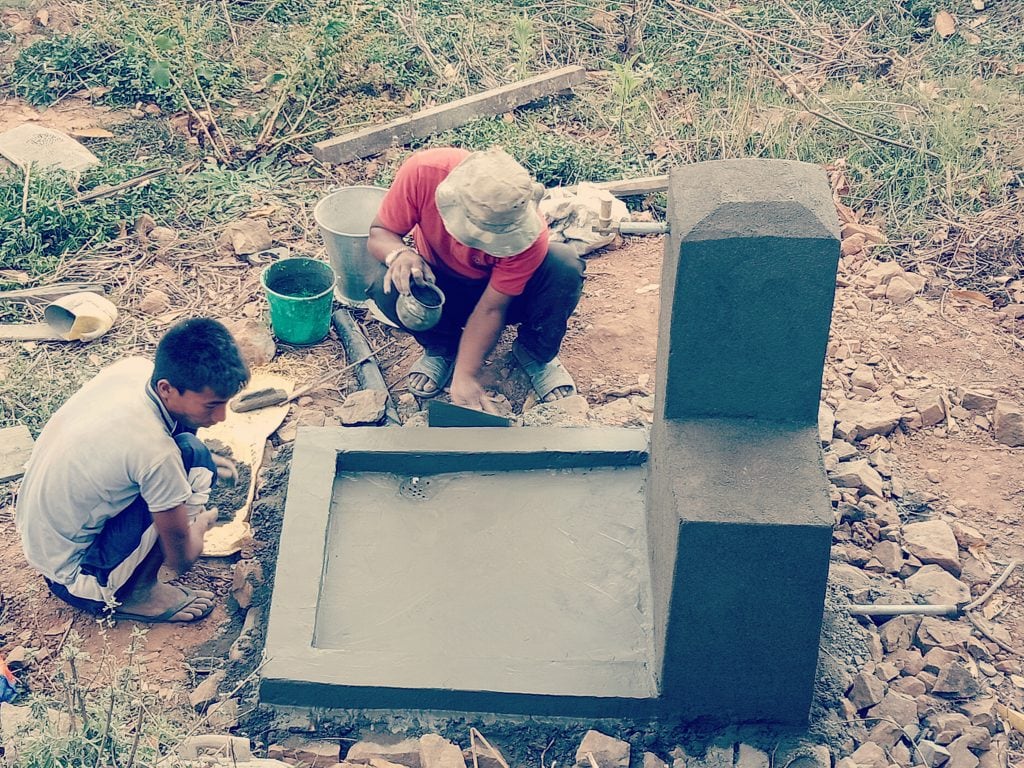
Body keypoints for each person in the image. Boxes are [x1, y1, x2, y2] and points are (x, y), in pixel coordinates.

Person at [15, 317, 249, 623]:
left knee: (192, 451)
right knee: (192, 466)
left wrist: (188, 457)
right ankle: (138, 594)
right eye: (211, 406)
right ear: (166, 388)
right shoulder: (155, 454)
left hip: (43, 541)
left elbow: (134, 450)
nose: (221, 417)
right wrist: (201, 525)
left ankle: (136, 557)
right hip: (74, 576)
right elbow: (180, 559)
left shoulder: (135, 370)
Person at [366, 146, 585, 412]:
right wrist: (398, 254)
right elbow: (380, 233)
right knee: (385, 281)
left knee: (563, 264)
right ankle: (442, 349)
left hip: (504, 297)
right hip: (438, 285)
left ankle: (535, 354)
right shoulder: (424, 172)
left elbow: (491, 308)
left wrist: (465, 374)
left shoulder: (529, 231)